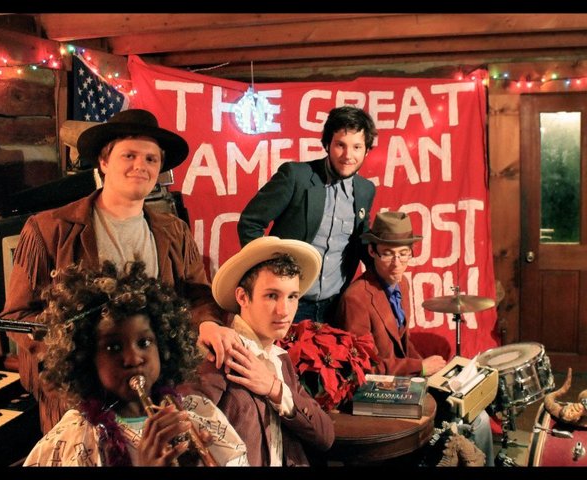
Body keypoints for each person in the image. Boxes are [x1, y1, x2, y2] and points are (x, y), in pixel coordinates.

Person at [0, 109, 238, 434]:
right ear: (104, 161)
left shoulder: (174, 231)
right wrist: (74, 348)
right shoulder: (49, 228)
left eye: (151, 159)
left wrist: (208, 323)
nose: (141, 166)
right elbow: (16, 316)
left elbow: (197, 296)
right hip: (79, 400)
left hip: (154, 389)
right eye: (129, 155)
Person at [23, 260, 248, 466]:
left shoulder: (197, 413)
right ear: (85, 358)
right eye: (113, 347)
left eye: (144, 342)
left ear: (163, 347)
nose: (133, 358)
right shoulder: (74, 437)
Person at [336, 210, 495, 466]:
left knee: (477, 412)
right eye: (388, 253)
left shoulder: (402, 285)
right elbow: (363, 369)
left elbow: (403, 343)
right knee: (476, 423)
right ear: (373, 251)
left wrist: (435, 374)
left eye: (404, 254)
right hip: (379, 393)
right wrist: (419, 367)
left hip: (407, 381)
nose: (396, 263)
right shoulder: (356, 298)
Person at [179, 236, 335, 466]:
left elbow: (326, 436)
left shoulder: (280, 359)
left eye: (292, 297)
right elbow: (185, 438)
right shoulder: (220, 352)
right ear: (242, 297)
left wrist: (274, 389)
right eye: (272, 296)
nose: (284, 311)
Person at [237, 106, 377, 324]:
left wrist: (386, 265)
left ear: (366, 150)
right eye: (340, 145)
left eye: (357, 147)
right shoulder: (296, 176)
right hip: (291, 305)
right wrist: (270, 276)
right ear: (327, 144)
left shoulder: (365, 189)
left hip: (335, 305)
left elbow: (361, 240)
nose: (348, 155)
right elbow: (250, 222)